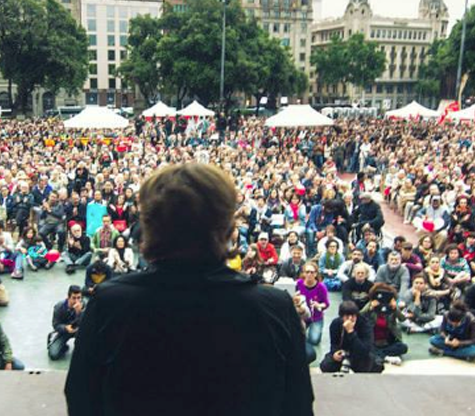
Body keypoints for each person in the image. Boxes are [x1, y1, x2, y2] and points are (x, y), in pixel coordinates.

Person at [65, 163, 313, 416]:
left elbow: (81, 398)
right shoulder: (275, 308)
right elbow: (299, 404)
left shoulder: (109, 304)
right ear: (227, 227)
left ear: (148, 229)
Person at [319, 301, 378, 373]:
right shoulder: (335, 324)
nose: (350, 319)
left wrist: (351, 332)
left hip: (360, 354)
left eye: (353, 316)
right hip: (343, 353)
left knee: (367, 366)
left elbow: (365, 350)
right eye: (347, 317)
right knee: (325, 365)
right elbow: (334, 344)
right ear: (342, 317)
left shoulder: (365, 325)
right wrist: (335, 353)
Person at [361, 282, 408, 365]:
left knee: (403, 347)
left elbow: (402, 319)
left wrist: (395, 308)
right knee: (365, 348)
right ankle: (385, 356)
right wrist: (370, 308)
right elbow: (359, 316)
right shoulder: (371, 305)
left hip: (387, 342)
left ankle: (380, 355)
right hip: (373, 341)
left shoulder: (391, 307)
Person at [296, 261, 329, 363]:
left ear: (316, 274)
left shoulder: (321, 287)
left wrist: (319, 305)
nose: (309, 274)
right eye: (307, 272)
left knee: (314, 340)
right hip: (302, 316)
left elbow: (326, 303)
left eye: (312, 272)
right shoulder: (299, 284)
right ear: (303, 273)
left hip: (316, 317)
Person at [49, 285, 84, 361]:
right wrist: (65, 328)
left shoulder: (84, 305)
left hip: (79, 331)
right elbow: (55, 324)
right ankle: (62, 346)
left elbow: (87, 323)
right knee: (53, 354)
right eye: (74, 298)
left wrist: (79, 313)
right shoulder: (59, 306)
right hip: (65, 331)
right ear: (68, 297)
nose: (76, 301)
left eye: (79, 298)